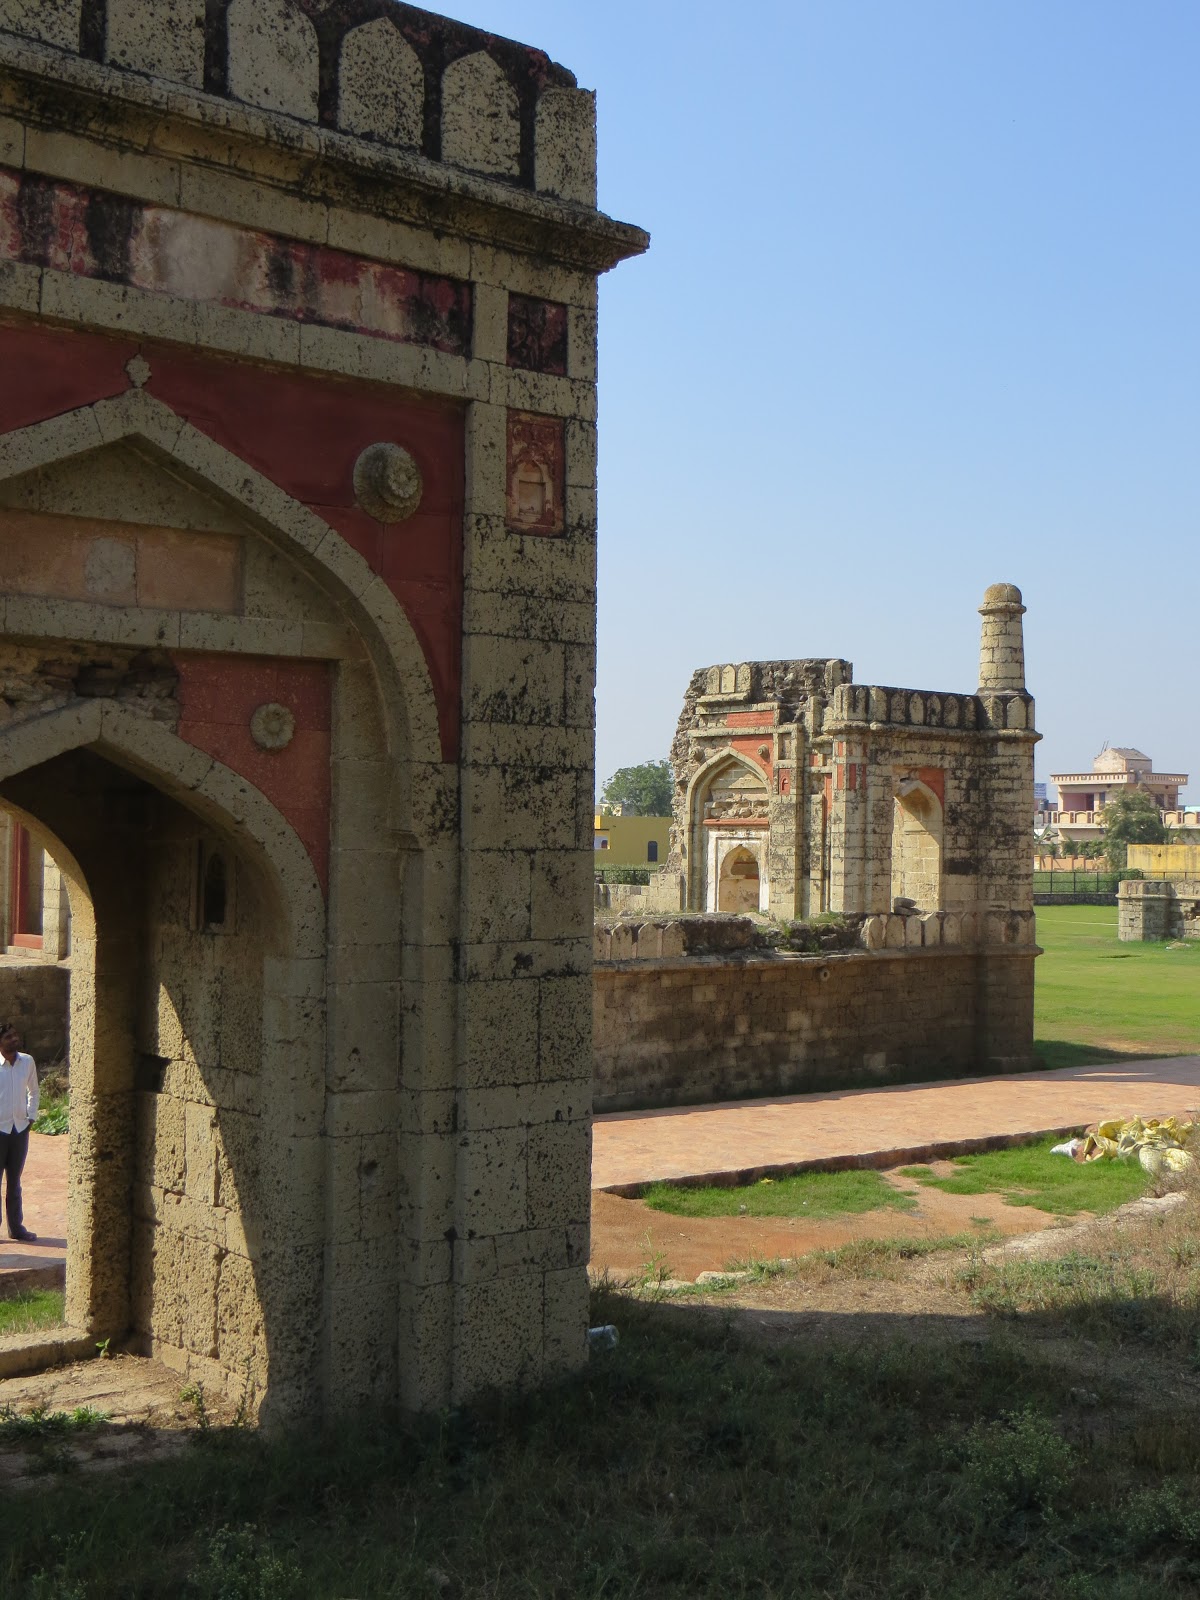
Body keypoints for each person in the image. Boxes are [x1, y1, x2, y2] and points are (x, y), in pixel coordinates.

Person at [0, 1021, 39, 1242]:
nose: (14, 1039)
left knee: (15, 1182)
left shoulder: (27, 1061)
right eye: (8, 1037)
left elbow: (34, 1090)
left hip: (19, 1130)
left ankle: (16, 1228)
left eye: (15, 1035)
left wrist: (30, 1116)